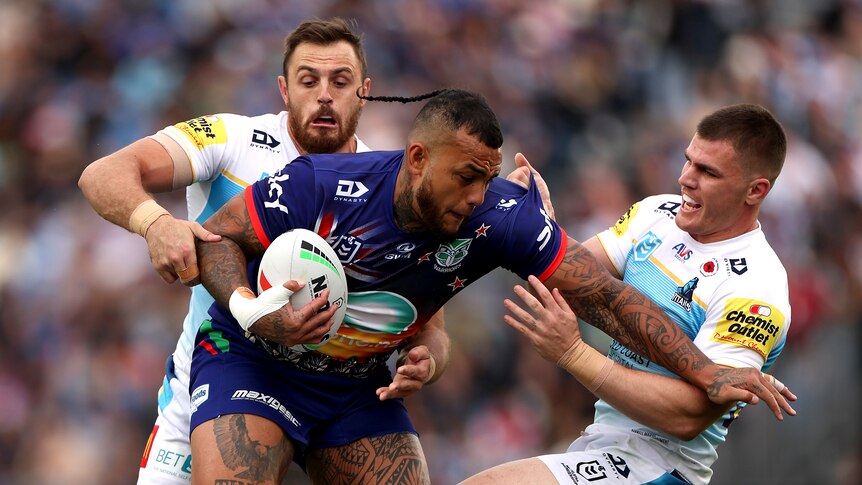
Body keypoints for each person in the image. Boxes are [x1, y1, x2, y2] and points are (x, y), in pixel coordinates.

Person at [191, 91, 794, 484]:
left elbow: (599, 298)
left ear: (756, 190)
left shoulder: (758, 288)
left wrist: (568, 331)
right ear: (419, 158)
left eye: (488, 178)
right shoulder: (319, 182)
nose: (479, 195)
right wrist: (249, 308)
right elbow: (213, 239)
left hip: (656, 460)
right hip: (255, 360)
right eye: (466, 177)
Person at [78, 17, 444, 484]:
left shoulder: (388, 186)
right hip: (216, 380)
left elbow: (430, 319)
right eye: (308, 81)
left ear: (365, 91)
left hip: (337, 395)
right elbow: (103, 174)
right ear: (284, 90)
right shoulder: (232, 140)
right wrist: (156, 223)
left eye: (341, 81)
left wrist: (428, 357)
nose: (324, 95)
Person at [460, 103, 796, 485]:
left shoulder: (756, 288)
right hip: (604, 447)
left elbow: (687, 417)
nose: (686, 178)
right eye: (688, 161)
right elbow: (570, 279)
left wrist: (574, 354)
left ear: (755, 190)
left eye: (708, 172)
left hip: (662, 467)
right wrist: (543, 228)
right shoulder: (655, 213)